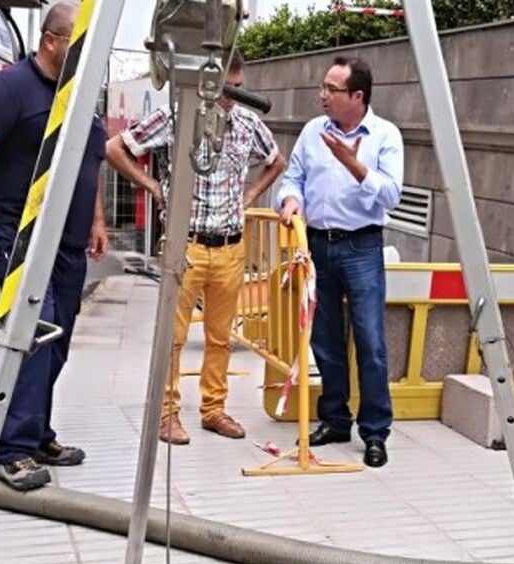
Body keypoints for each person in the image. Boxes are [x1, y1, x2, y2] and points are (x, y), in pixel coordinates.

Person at [0, 2, 108, 490]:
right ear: (51, 41)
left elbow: (92, 163)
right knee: (30, 341)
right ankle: (10, 450)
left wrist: (98, 220)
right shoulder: (10, 90)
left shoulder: (78, 97)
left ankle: (36, 434)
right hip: (20, 234)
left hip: (68, 244)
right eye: (78, 50)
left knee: (55, 344)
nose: (86, 63)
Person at [106, 51, 285, 445]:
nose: (231, 97)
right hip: (186, 244)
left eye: (237, 88)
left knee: (221, 337)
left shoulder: (247, 123)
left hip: (229, 244)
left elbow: (276, 161)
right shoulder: (179, 116)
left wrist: (252, 193)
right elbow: (116, 147)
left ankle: (214, 409)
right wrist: (151, 185)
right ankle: (167, 413)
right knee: (173, 335)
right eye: (226, 88)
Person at [277, 56, 404, 468]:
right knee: (325, 339)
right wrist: (290, 199)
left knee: (370, 342)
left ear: (357, 96)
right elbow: (292, 175)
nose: (323, 96)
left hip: (362, 248)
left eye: (332, 90)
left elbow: (391, 195)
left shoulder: (385, 135)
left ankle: (374, 431)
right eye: (323, 87)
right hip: (318, 246)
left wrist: (353, 164)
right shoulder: (314, 131)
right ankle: (335, 419)